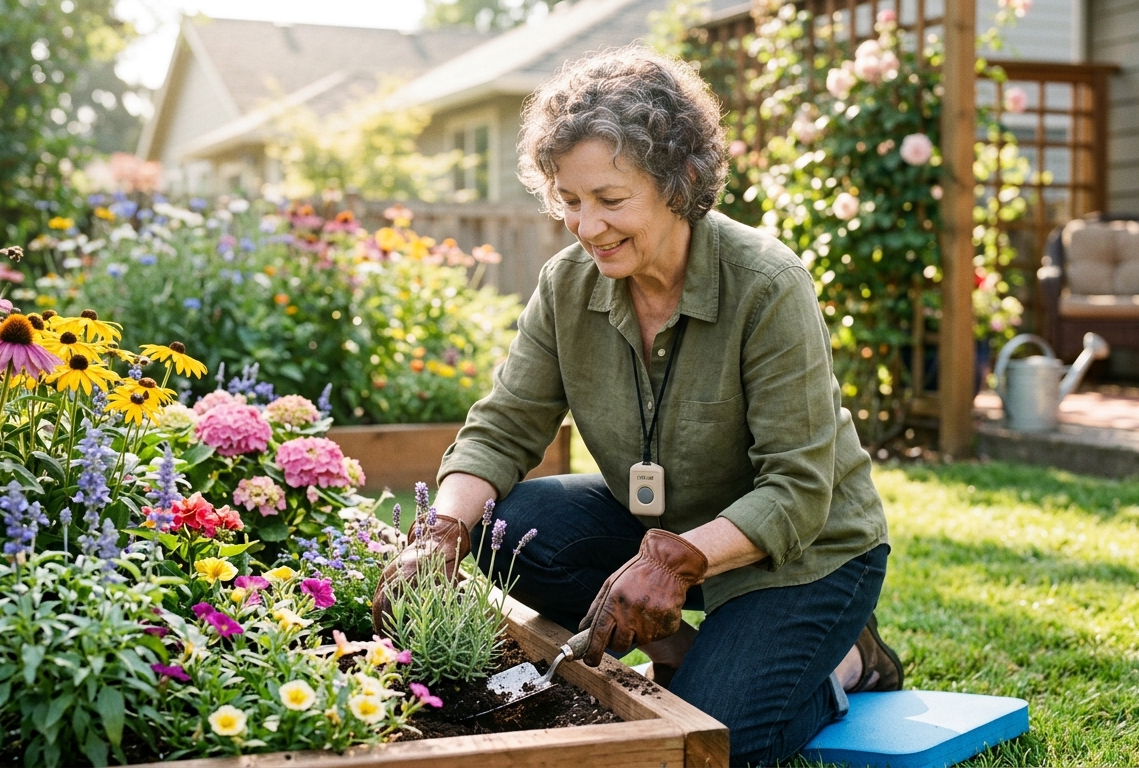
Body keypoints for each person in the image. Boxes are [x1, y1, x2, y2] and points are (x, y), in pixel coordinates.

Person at [373, 45, 903, 765]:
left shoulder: (766, 282)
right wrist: (440, 529)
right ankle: (689, 651)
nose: (587, 227)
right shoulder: (569, 285)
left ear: (679, 181)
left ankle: (849, 661)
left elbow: (799, 490)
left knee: (710, 744)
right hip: (664, 524)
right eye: (570, 201)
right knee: (511, 526)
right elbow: (505, 424)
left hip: (806, 551)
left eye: (611, 200)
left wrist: (681, 560)